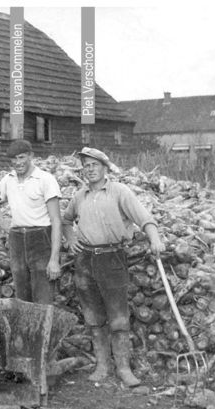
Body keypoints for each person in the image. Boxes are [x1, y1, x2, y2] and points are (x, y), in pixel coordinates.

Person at [63, 147, 165, 387]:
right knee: (93, 316)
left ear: (105, 168)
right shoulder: (80, 196)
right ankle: (102, 365)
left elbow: (145, 218)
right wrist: (70, 238)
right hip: (85, 260)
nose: (89, 170)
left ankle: (123, 368)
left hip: (113, 258)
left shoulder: (120, 192)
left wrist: (155, 238)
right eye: (86, 166)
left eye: (94, 165)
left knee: (118, 317)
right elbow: (66, 220)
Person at [0, 139, 62, 304]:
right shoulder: (8, 179)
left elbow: (56, 220)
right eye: (13, 159)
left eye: (21, 157)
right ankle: (26, 330)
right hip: (17, 240)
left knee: (43, 295)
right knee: (22, 294)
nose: (17, 163)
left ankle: (43, 330)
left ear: (31, 156)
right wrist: (2, 221)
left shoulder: (45, 179)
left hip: (41, 238)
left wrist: (54, 259)